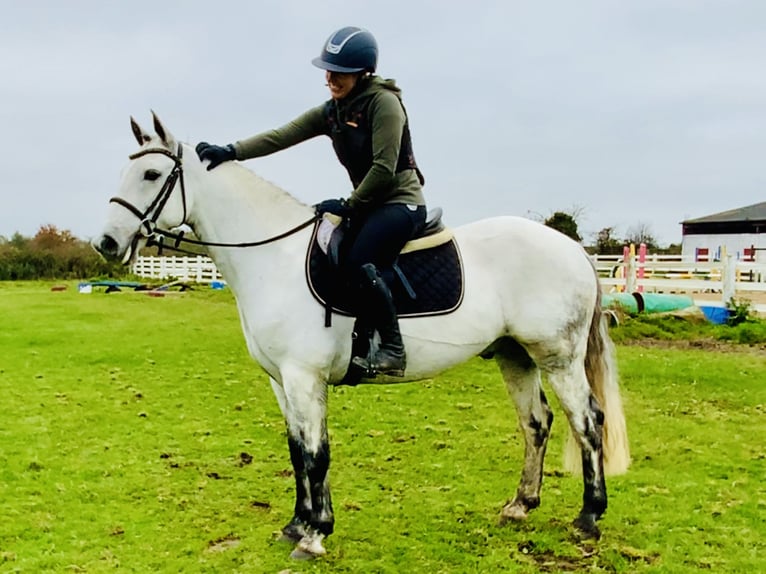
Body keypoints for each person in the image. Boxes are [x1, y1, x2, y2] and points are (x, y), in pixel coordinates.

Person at [196, 26, 426, 377]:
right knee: (330, 254)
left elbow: (383, 168)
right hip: (367, 206)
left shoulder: (385, 104)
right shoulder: (332, 111)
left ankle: (393, 349)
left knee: (359, 261)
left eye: (341, 73)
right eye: (329, 71)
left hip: (399, 203)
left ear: (362, 73)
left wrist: (349, 205)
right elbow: (281, 135)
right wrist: (231, 151)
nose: (331, 79)